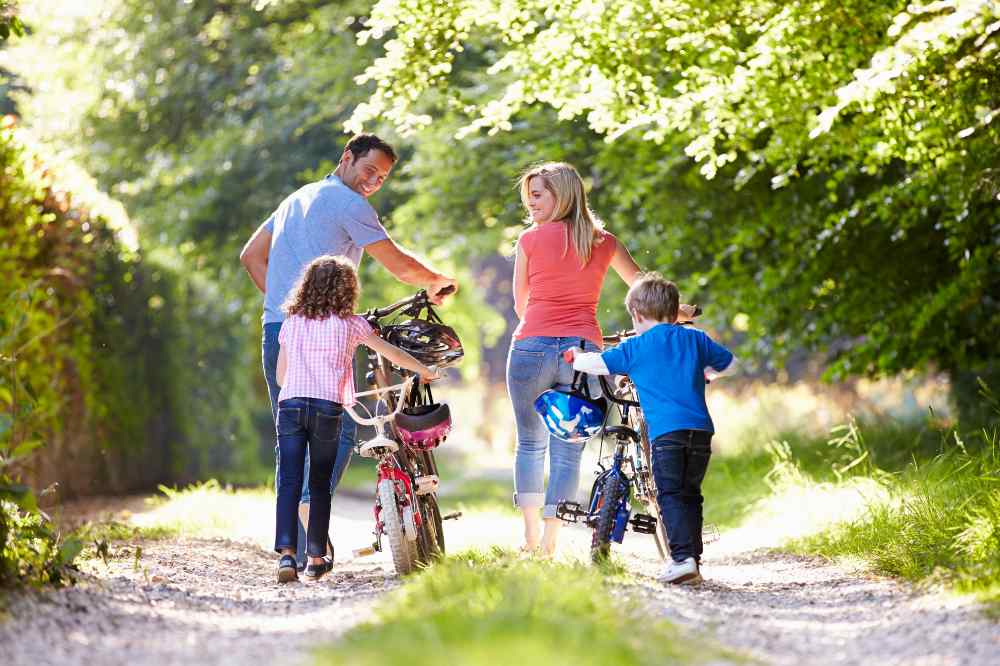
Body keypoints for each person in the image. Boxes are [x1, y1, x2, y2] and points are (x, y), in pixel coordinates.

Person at [240, 133, 457, 566]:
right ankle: (307, 506)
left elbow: (250, 256)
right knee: (336, 428)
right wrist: (436, 280)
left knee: (292, 434)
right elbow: (396, 264)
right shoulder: (349, 204)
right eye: (368, 171)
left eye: (382, 178)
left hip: (278, 329)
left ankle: (297, 552)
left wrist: (291, 308)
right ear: (346, 158)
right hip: (326, 334)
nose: (373, 182)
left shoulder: (296, 198)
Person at [506, 161, 648, 557]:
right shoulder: (605, 243)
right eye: (528, 195)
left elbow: (521, 304)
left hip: (530, 346)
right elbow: (642, 287)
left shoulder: (529, 240)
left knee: (530, 442)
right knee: (568, 446)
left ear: (562, 194)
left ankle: (530, 538)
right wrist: (679, 308)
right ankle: (550, 540)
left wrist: (543, 320)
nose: (530, 203)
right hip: (581, 352)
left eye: (538, 195)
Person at [274, 255, 440, 582]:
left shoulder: (291, 322)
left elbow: (281, 376)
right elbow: (391, 354)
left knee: (289, 482)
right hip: (327, 409)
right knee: (319, 484)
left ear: (306, 287)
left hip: (291, 406)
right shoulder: (351, 325)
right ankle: (316, 557)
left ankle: (286, 558)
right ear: (347, 289)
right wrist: (425, 370)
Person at [566, 273, 735, 584]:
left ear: (637, 315)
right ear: (674, 313)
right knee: (690, 493)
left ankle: (682, 559)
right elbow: (728, 363)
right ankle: (692, 558)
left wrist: (576, 358)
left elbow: (599, 364)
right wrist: (705, 374)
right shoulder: (695, 339)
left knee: (670, 494)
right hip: (700, 432)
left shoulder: (638, 346)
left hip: (666, 435)